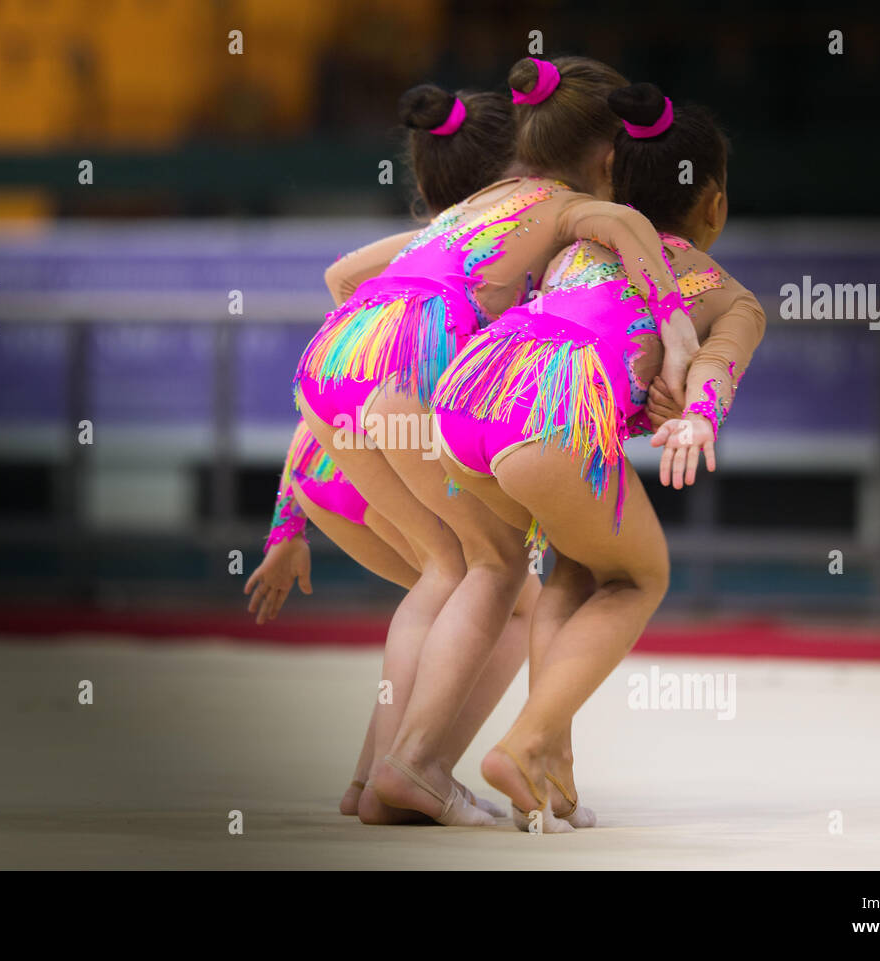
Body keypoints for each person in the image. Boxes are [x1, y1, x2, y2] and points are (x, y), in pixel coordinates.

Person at [295, 57, 691, 826]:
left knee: (447, 567)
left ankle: (373, 779)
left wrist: (391, 349)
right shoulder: (567, 204)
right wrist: (673, 325)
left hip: (337, 365)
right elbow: (623, 225)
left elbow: (343, 274)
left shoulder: (474, 206)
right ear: (610, 157)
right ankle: (411, 763)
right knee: (494, 564)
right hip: (407, 372)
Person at [430, 81, 767, 830]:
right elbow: (716, 365)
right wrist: (701, 417)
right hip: (542, 422)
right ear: (712, 204)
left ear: (614, 180)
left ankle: (551, 767)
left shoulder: (579, 242)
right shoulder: (728, 295)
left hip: (464, 404)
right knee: (640, 576)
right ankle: (519, 744)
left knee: (581, 565)